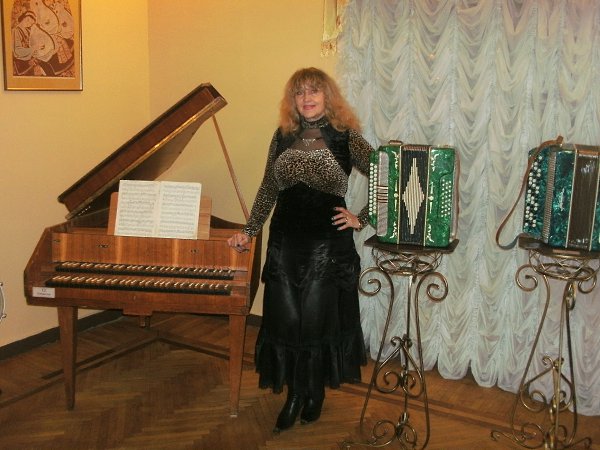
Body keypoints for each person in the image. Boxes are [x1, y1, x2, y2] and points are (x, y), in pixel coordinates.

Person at [228, 67, 373, 433]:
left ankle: (314, 392)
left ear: (327, 96)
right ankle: (294, 393)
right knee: (287, 320)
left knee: (316, 322)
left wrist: (362, 218)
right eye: (300, 92)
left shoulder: (346, 137)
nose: (307, 98)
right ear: (292, 100)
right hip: (285, 244)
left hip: (326, 247)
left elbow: (387, 175)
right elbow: (268, 188)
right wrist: (249, 230)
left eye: (314, 91)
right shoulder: (283, 135)